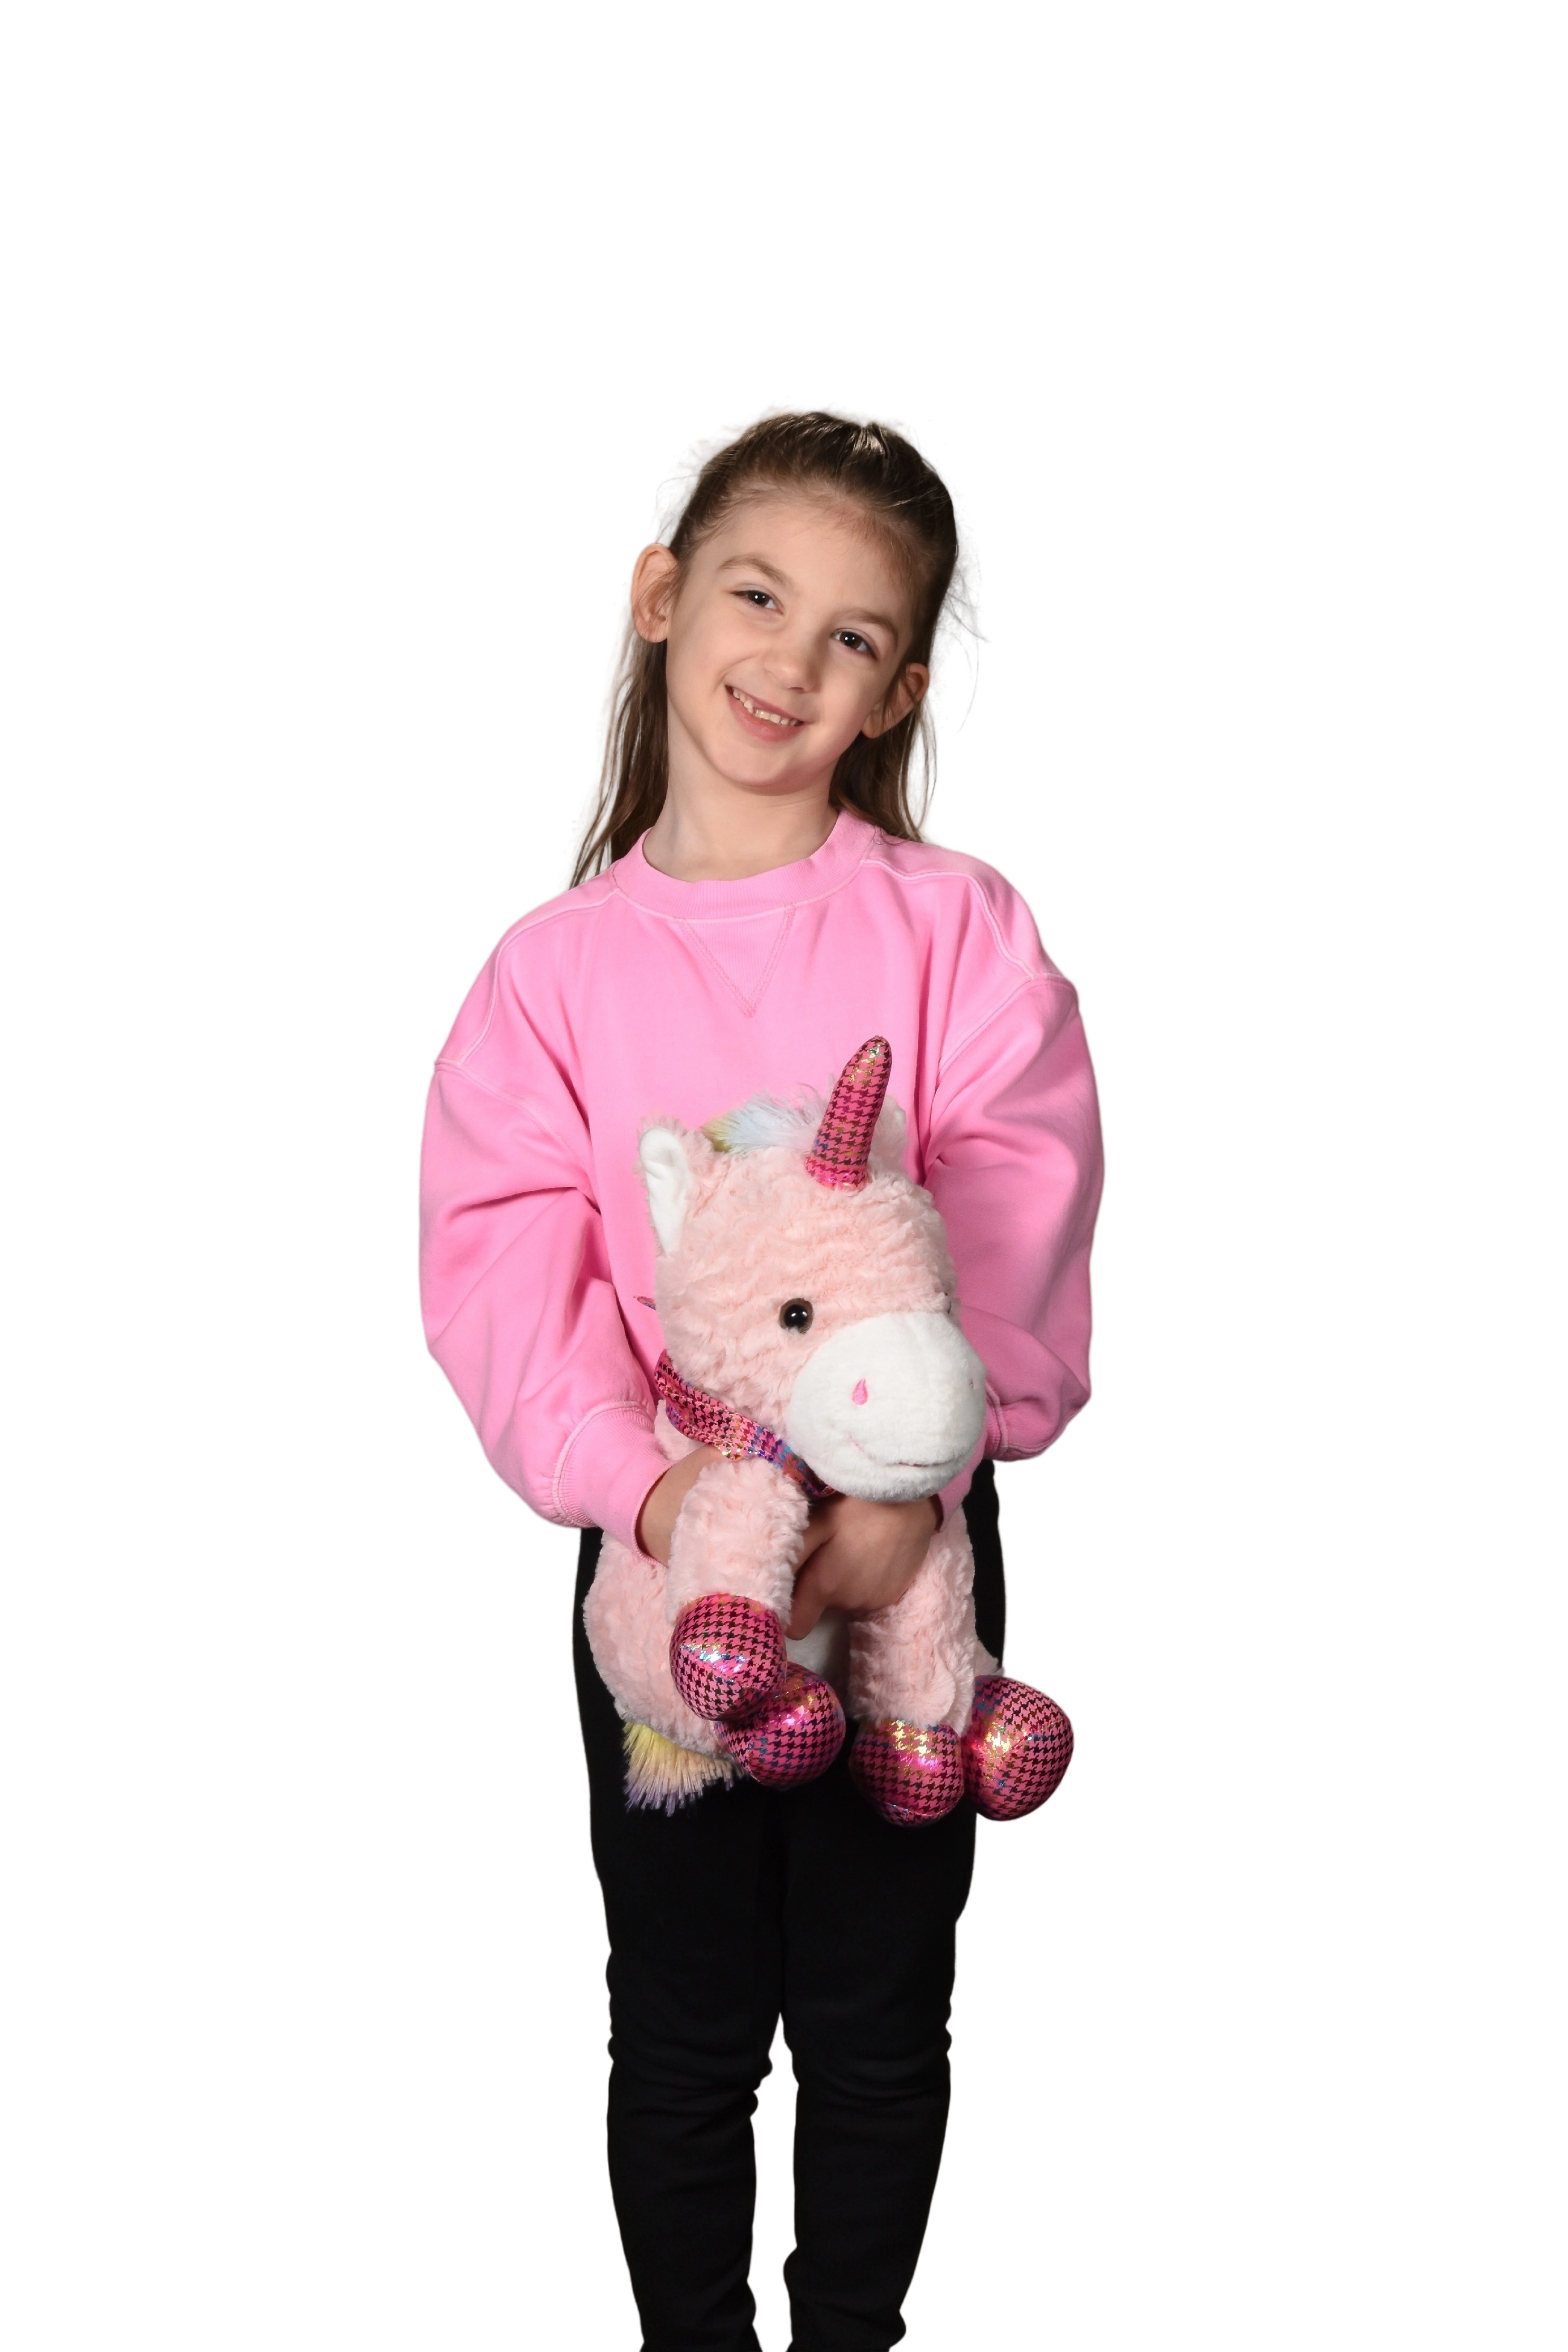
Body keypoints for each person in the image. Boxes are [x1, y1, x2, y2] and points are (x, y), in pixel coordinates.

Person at [414, 397, 1108, 2352]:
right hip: (668, 1562)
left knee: (881, 2016)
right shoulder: (549, 972)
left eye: (853, 634)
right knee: (684, 2021)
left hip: (911, 1552)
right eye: (755, 594)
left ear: (895, 696)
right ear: (657, 596)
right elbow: (501, 1267)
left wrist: (902, 1507)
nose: (791, 661)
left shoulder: (956, 930)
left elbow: (1022, 1198)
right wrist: (653, 1500)